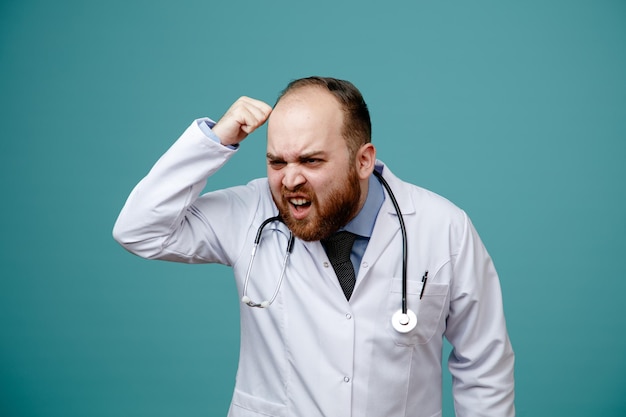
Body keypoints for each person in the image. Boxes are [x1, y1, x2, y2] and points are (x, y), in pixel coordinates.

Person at [113, 76, 515, 417]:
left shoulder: (443, 227)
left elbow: (484, 368)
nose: (289, 181)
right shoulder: (249, 212)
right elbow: (139, 229)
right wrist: (215, 140)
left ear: (363, 161)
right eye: (276, 162)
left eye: (311, 161)